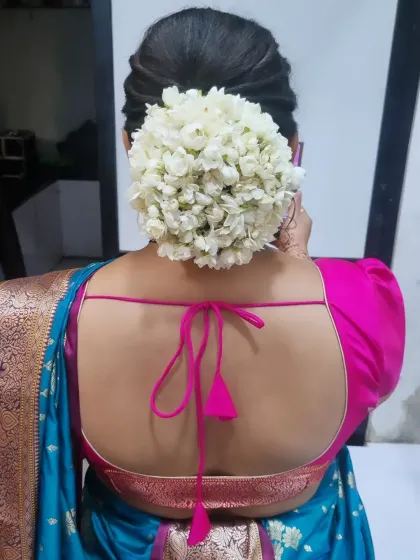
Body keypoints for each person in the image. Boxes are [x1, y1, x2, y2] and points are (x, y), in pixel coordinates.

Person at [0, 8, 405, 560]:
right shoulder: (364, 303)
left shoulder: (43, 319)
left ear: (132, 146)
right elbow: (364, 390)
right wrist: (299, 263)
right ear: (290, 151)